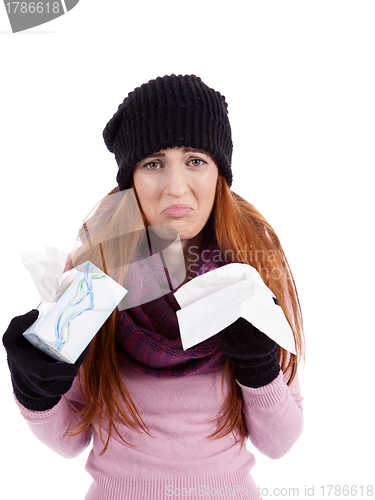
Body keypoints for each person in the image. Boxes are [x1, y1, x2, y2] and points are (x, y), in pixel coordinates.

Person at [3, 74, 304, 500]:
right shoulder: (96, 273)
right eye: (154, 163)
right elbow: (68, 440)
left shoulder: (251, 270)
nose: (176, 186)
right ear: (131, 181)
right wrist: (36, 391)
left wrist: (260, 370)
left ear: (220, 171)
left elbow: (280, 442)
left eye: (195, 160)